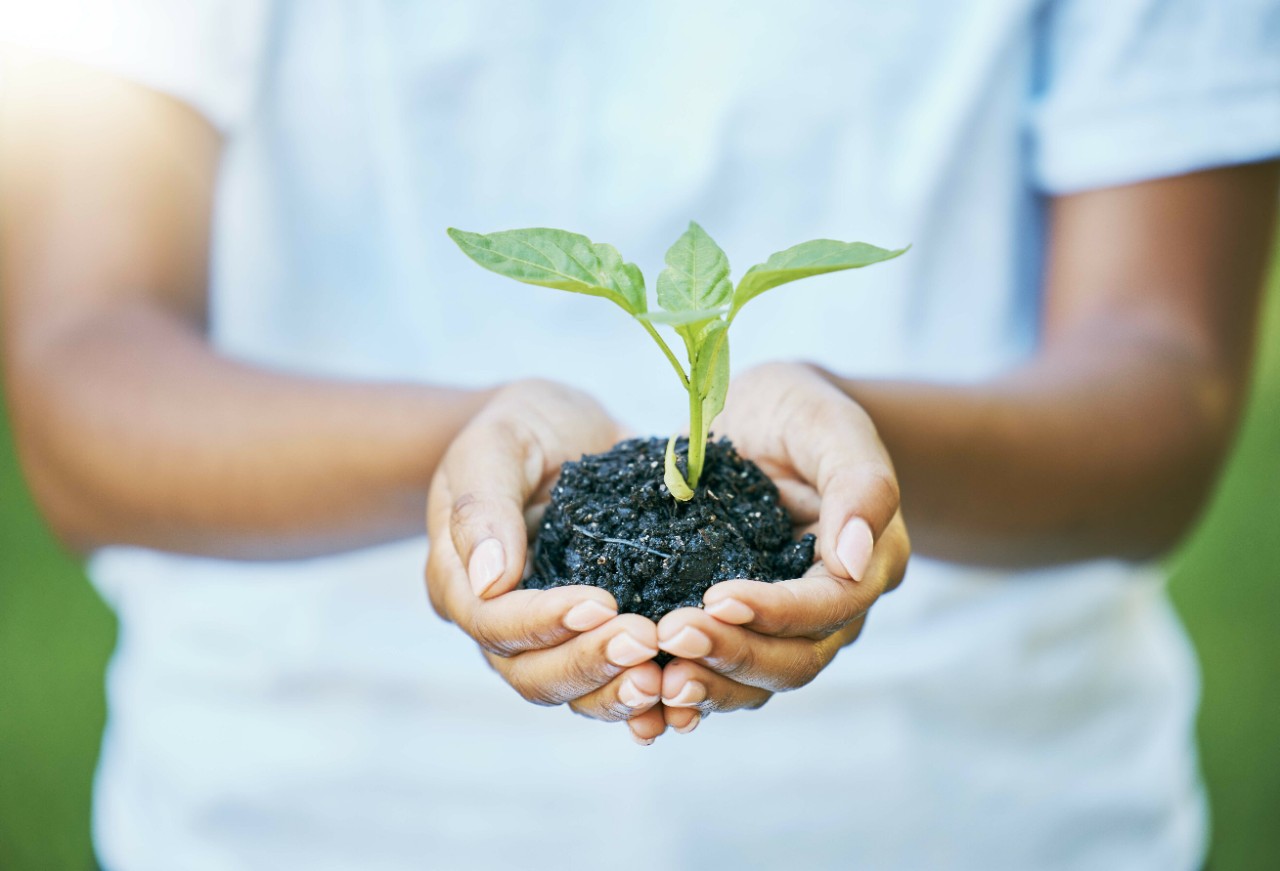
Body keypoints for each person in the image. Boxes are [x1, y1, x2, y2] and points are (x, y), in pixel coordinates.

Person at [1, 1, 1277, 869]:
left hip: (979, 809)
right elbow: (81, 371)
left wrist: (858, 452)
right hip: (307, 814)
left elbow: (1164, 386)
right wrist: (461, 459)